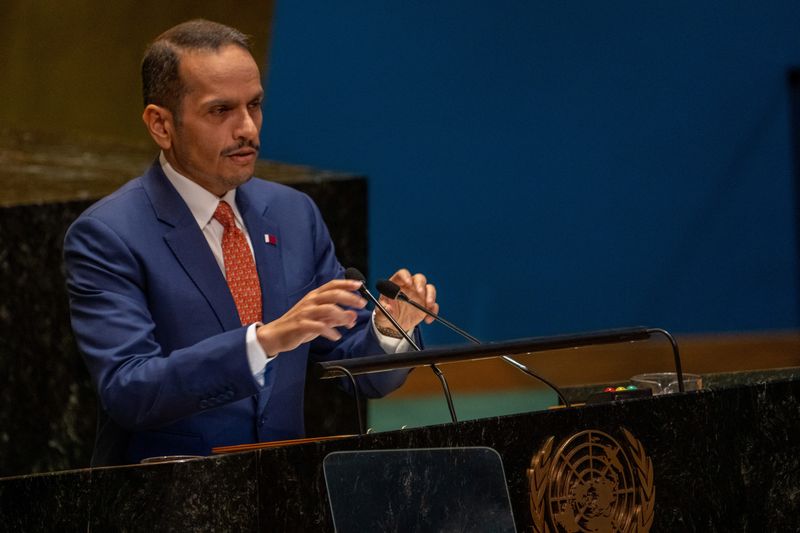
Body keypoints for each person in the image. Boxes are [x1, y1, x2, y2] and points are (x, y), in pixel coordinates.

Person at [63, 19, 438, 466]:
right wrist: (263, 342)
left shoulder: (293, 214)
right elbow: (130, 391)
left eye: (255, 105)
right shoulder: (109, 234)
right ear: (161, 125)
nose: (248, 129)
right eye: (220, 111)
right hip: (170, 503)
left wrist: (390, 331)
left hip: (285, 495)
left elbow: (359, 371)